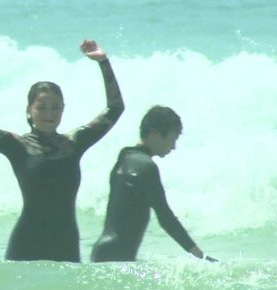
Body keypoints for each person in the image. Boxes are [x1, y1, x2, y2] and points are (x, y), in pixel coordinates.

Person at [0, 40, 124, 262]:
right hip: (25, 245)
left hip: (66, 244)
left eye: (55, 107)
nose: (49, 113)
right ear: (29, 110)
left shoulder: (73, 144)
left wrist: (103, 62)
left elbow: (115, 109)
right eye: (42, 107)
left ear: (63, 109)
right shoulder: (18, 146)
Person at [90, 105, 217, 262]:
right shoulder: (146, 167)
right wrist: (199, 255)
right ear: (155, 135)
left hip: (103, 252)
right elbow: (165, 217)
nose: (173, 146)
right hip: (117, 256)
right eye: (172, 139)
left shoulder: (124, 158)